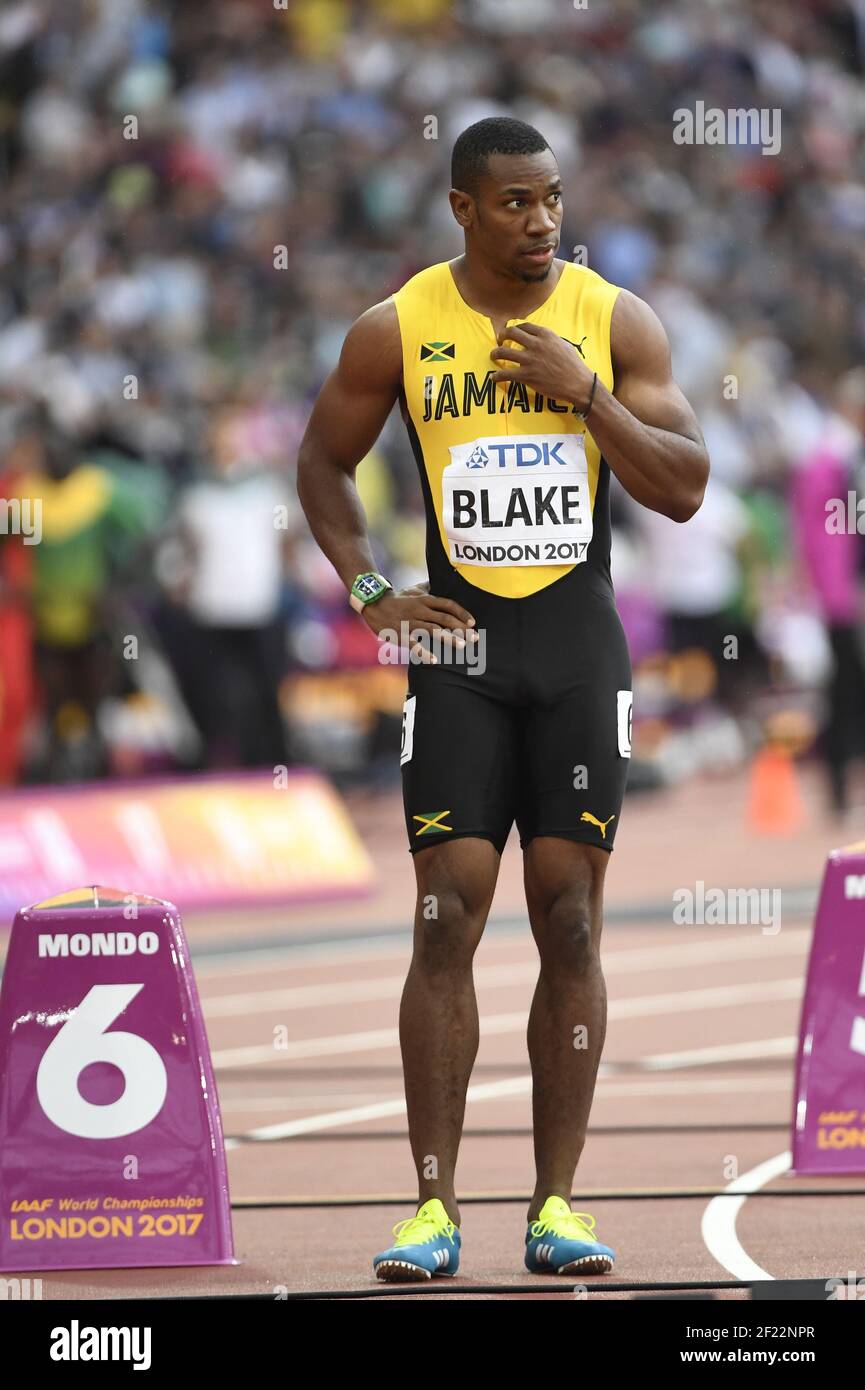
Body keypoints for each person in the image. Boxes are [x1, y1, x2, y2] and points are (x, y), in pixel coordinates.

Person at [297, 117, 709, 1281]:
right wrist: (374, 592)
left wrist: (589, 398)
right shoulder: (398, 326)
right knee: (446, 913)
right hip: (459, 653)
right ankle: (432, 1209)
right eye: (517, 203)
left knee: (569, 917)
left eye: (553, 200)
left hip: (577, 645)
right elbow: (320, 462)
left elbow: (683, 486)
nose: (542, 222)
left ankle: (556, 1204)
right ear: (463, 209)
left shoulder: (613, 320)